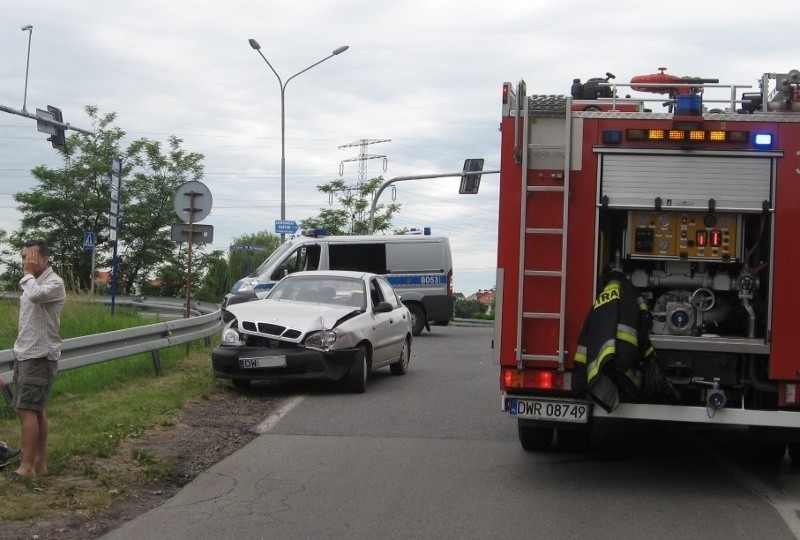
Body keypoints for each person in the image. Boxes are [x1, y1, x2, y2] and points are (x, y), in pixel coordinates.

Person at [10, 239, 66, 478]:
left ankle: (27, 467)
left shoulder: (54, 282)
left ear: (43, 259)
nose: (25, 263)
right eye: (23, 258)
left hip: (39, 355)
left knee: (27, 409)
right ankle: (40, 464)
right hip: (25, 352)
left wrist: (28, 275)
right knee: (34, 409)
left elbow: (35, 296)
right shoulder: (32, 282)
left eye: (29, 257)